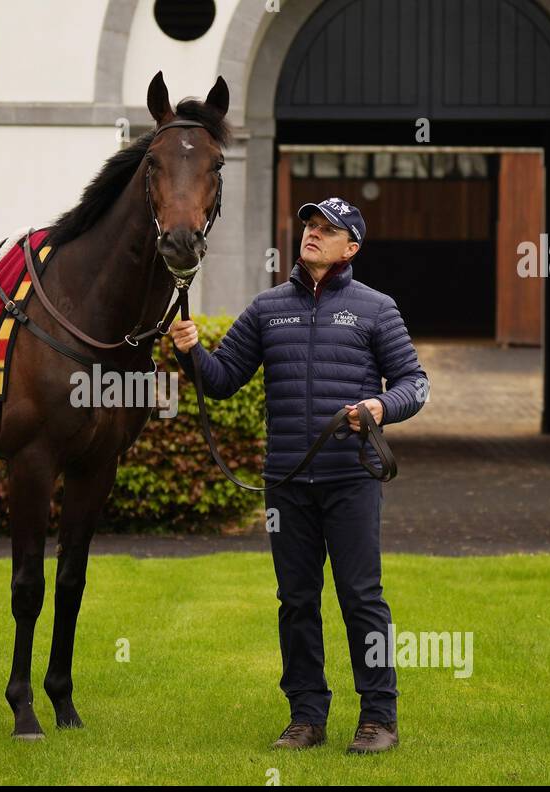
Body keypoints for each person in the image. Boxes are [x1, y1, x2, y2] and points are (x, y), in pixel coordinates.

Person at [172, 197, 428, 752]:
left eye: (327, 230)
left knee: (361, 597)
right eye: (310, 225)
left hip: (350, 480)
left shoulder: (375, 309)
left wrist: (382, 408)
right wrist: (190, 353)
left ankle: (379, 718)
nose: (312, 234)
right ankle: (307, 717)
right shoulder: (268, 309)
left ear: (350, 247)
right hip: (285, 485)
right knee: (296, 601)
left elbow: (414, 382)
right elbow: (221, 379)